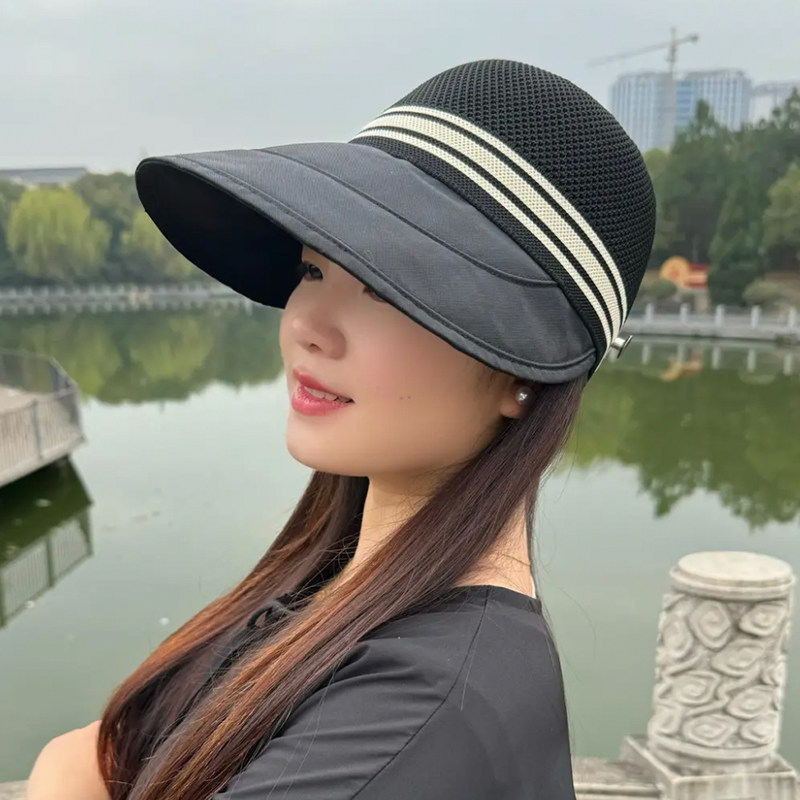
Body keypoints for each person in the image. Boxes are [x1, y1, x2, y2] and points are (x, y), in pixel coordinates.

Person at [95, 59, 655, 799]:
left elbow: (82, 767)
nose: (306, 326)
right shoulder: (341, 589)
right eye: (313, 270)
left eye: (388, 290)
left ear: (523, 370)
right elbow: (98, 755)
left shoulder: (422, 720)